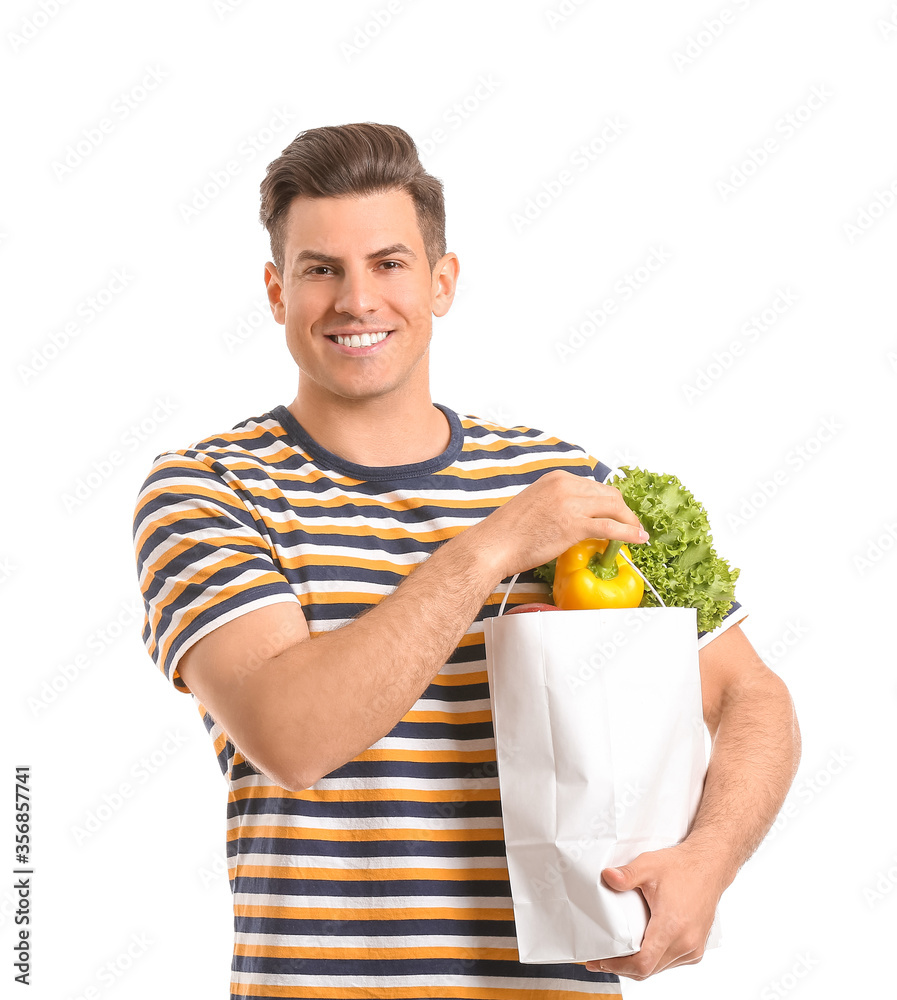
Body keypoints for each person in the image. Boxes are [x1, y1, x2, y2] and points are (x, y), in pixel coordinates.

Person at [132, 122, 800, 998]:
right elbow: (293, 739)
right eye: (319, 269)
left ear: (442, 282)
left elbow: (750, 694)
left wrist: (707, 863)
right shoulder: (208, 490)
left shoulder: (562, 487)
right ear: (275, 290)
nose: (356, 300)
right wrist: (491, 549)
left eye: (389, 263)